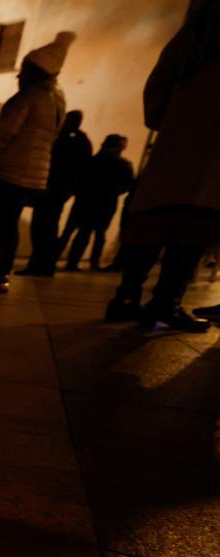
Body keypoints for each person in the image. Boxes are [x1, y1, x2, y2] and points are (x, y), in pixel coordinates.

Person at [105, 4, 219, 332]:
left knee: (155, 217)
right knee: (196, 221)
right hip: (213, 157)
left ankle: (126, 297)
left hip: (176, 144)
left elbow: (155, 94)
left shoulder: (189, 41)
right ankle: (166, 302)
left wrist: (170, 122)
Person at [0, 32, 74, 292]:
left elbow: (2, 134)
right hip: (29, 175)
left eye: (23, 71)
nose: (19, 76)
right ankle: (1, 274)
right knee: (10, 226)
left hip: (5, 170)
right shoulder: (57, 101)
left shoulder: (28, 97)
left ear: (35, 72)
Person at [18, 110, 92, 275]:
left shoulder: (69, 140)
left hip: (53, 190)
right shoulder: (75, 140)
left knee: (44, 228)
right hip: (53, 190)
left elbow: (79, 169)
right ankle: (41, 264)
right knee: (44, 227)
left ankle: (41, 264)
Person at [59, 134, 134, 271]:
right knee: (99, 233)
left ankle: (71, 261)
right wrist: (115, 191)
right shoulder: (123, 164)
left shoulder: (94, 160)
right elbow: (127, 184)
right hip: (106, 201)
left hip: (87, 199)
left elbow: (80, 178)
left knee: (81, 232)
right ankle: (94, 263)